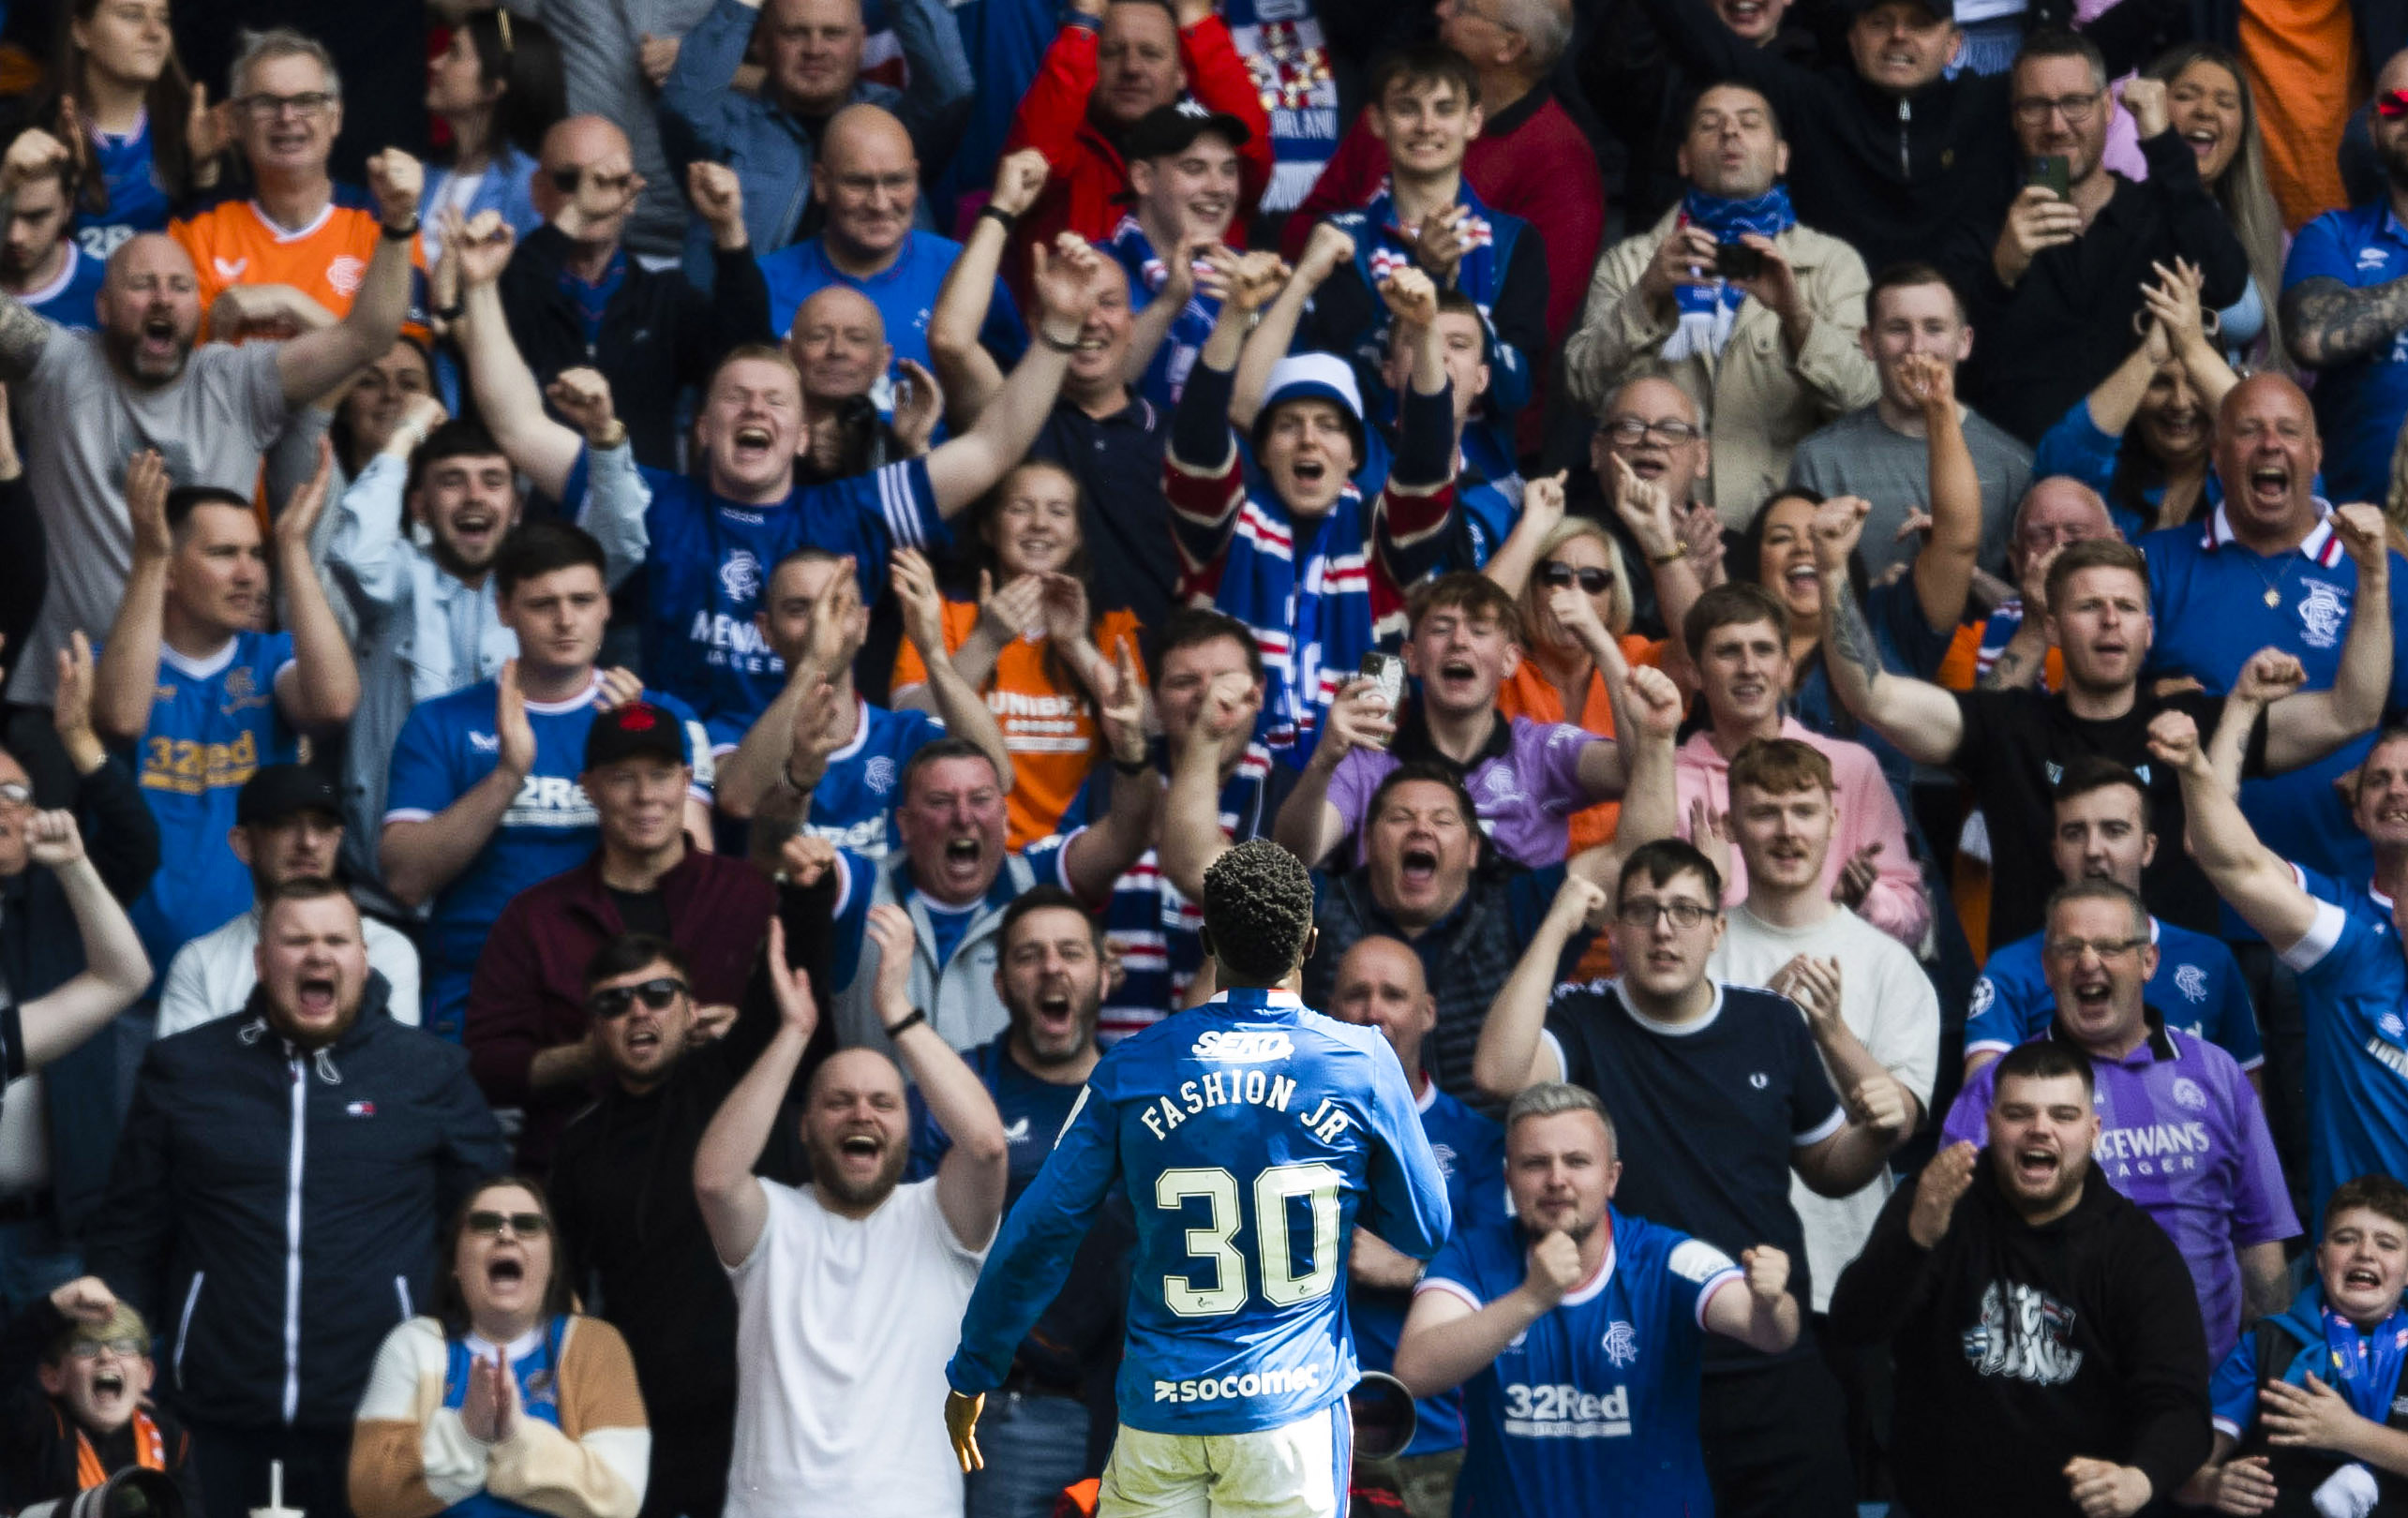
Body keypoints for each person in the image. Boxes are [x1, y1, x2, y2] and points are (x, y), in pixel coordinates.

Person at [457, 209, 1106, 752]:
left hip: (817, 769)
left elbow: (993, 448)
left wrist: (1059, 330)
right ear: (704, 429)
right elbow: (516, 426)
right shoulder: (651, 501)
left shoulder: (854, 510)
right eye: (736, 398)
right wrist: (482, 288)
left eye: (775, 402)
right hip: (683, 775)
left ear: (801, 436)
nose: (755, 411)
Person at [942, 840, 1453, 1518]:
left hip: (1160, 1417)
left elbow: (1041, 1230)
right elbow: (1426, 1226)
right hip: (1289, 1416)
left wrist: (973, 1370)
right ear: (1309, 944)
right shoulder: (1358, 1061)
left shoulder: (1135, 1065)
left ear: (1208, 940)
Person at [1473, 841, 1910, 1518]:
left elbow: (1828, 1169)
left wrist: (1875, 1136)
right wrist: (1559, 922)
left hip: (1767, 1347)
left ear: (1718, 927)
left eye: (1684, 910)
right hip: (1632, 1369)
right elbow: (1498, 1075)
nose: (1663, 929)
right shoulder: (1583, 1019)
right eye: (1641, 910)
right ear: (1613, 931)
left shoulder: (1769, 1023)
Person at [85, 878, 508, 1518]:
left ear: (363, 958)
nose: (318, 955)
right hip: (216, 1417)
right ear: (261, 960)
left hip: (382, 1419)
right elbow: (131, 1233)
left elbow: (491, 1232)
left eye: (336, 940)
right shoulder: (185, 1068)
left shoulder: (429, 1071)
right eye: (296, 940)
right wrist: (117, 1357)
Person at [1820, 518, 2394, 948]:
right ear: (2050, 624)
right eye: (2089, 606)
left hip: (2177, 1003)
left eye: (2126, 606)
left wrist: (2371, 576)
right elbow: (1872, 694)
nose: (2110, 620)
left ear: (2150, 630)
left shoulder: (2203, 723)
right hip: (2039, 1005)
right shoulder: (2008, 725)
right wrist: (1830, 571)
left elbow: (2353, 711)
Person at [0, 147, 425, 712]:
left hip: (211, 710)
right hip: (67, 695)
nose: (162, 298)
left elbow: (367, 337)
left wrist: (398, 226)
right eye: (142, 284)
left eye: (179, 287)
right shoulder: (59, 365)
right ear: (101, 307)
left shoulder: (238, 379)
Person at [697, 903, 1008, 1518]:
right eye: (838, 1102)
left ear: (907, 1126)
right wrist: (795, 1031)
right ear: (806, 1129)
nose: (861, 1114)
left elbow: (985, 1145)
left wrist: (894, 1008)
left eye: (882, 1103)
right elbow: (715, 1180)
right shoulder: (774, 1222)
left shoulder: (939, 1222)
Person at [547, 874, 832, 1518]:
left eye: (656, 994)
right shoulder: (580, 1143)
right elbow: (559, 1280)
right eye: (614, 1004)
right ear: (594, 1027)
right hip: (641, 1415)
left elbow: (789, 988)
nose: (638, 1012)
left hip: (764, 1405)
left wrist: (807, 893)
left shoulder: (736, 1078)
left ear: (689, 1007)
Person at [1827, 1043, 2213, 1518]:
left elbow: (2180, 1404)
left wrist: (2140, 1478)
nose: (2040, 1129)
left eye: (2063, 1115)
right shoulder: (1936, 1200)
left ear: (2093, 1133)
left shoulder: (2136, 1250)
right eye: (2019, 1113)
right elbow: (1853, 1324)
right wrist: (1916, 1239)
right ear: (1990, 1125)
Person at [1393, 1082, 1802, 1516]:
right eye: (1535, 1164)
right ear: (1508, 1177)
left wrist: (1770, 1302)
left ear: (1611, 1177)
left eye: (1577, 1162)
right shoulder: (1471, 1256)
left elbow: (1771, 1334)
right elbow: (1414, 1370)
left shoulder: (1666, 1258)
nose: (1556, 1180)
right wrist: (1531, 1298)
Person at [381, 521, 714, 1041]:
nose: (565, 621)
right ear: (504, 608)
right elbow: (405, 880)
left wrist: (634, 755)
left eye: (582, 600)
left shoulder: (665, 720)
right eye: (543, 604)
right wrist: (508, 776)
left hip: (627, 998)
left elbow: (695, 879)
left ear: (606, 605)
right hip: (482, 995)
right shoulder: (441, 722)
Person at [1942, 878, 2295, 1364]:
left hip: (2204, 1388)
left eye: (2110, 946)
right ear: (2047, 968)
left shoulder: (2217, 1073)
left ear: (2149, 961)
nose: (2089, 962)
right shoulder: (2001, 1088)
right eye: (2070, 949)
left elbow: (2260, 1240)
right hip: (2053, 1389)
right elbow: (1951, 1238)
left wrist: (2263, 1382)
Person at [324, 382, 647, 911]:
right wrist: (406, 436)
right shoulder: (398, 582)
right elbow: (355, 553)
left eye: (492, 482)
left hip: (509, 892)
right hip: (392, 897)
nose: (475, 497)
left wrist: (605, 440)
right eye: (453, 482)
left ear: (516, 506)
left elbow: (619, 543)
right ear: (421, 507)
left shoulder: (540, 595)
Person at [1626, 0, 2183, 282]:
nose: (1898, 36)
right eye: (1880, 20)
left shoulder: (1991, 103)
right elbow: (1696, 36)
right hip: (1832, 333)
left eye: (1918, 22)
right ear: (1852, 36)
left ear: (1952, 43)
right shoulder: (1812, 101)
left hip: (1969, 335)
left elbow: (2106, 44)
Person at [2137, 376, 2408, 934]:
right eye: (2248, 430)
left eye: (2288, 431)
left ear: (2315, 455)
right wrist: (2149, 698)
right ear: (2216, 455)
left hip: (2343, 905)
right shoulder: (2156, 564)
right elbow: (2103, 705)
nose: (2269, 444)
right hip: (2194, 908)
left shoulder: (2381, 573)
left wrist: (2382, 765)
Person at [1167, 251, 1456, 761]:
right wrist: (1235, 314)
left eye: (1328, 425)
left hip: (1358, 788)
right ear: (1261, 452)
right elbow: (1195, 438)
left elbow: (1428, 464)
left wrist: (1426, 332)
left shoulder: (1379, 535)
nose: (1308, 441)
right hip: (1227, 778)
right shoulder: (1226, 525)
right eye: (1287, 425)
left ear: (1353, 456)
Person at [467, 700, 777, 1172]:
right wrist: (588, 1056)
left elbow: (805, 1033)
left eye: (660, 774)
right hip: (580, 1168)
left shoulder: (748, 895)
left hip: (724, 1165)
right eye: (621, 777)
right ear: (588, 788)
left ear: (687, 780)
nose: (645, 796)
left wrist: (740, 1033)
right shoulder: (536, 917)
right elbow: (488, 1066)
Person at [90, 445, 357, 988]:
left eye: (255, 554)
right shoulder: (112, 660)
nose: (248, 574)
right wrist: (148, 560)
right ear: (167, 566)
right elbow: (122, 718)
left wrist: (294, 550)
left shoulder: (271, 658)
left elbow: (333, 706)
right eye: (223, 553)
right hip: (130, 984)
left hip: (259, 976)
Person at [1563, 82, 1877, 524]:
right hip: (1651, 520)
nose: (1730, 133)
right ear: (1684, 159)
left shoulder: (1831, 265)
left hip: (1775, 531)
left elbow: (1865, 403)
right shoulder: (1633, 262)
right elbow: (1582, 391)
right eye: (1710, 125)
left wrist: (1796, 317)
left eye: (1749, 123)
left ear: (1782, 156)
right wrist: (1646, 297)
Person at [1703, 739, 1938, 1316]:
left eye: (1804, 811)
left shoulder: (1889, 964)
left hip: (1848, 1268)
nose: (1788, 831)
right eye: (1764, 813)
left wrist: (1832, 1033)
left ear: (1834, 821)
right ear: (1731, 826)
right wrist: (1763, 1024)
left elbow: (1900, 1121)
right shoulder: (1695, 951)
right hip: (1717, 1268)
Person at [2154, 707, 2408, 1228]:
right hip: (2364, 1257)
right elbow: (2223, 852)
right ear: (2357, 812)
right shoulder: (2344, 931)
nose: (2396, 791)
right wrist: (2199, 762)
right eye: (2379, 780)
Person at [930, 153, 1178, 641]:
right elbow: (950, 341)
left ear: (1133, 324)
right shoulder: (1016, 421)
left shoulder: (1174, 439)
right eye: (1070, 303)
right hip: (1025, 691)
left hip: (1145, 696)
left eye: (1107, 303)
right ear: (1035, 324)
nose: (1089, 318)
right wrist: (1001, 209)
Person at [1953, 45, 2251, 445]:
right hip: (2022, 474)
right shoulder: (1986, 228)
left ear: (2109, 107)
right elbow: (1954, 372)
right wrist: (2000, 274)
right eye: (2035, 106)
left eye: (2076, 103)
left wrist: (2163, 143)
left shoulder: (2159, 214)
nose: (2056, 125)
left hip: (2138, 475)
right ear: (2014, 118)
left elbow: (2227, 281)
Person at [946, 887, 1133, 1518]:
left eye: (1071, 952)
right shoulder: (966, 1092)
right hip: (1011, 1415)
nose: (1052, 968)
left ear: (1106, 975)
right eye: (1030, 955)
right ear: (1000, 984)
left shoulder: (1143, 1098)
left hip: (1131, 1421)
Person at [824, 704, 1156, 1054]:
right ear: (904, 824)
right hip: (879, 1109)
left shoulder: (1041, 884)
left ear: (1004, 817)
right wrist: (797, 781)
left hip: (1011, 1110)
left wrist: (1132, 750)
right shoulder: (860, 887)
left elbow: (1128, 835)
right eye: (940, 802)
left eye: (980, 800)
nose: (963, 817)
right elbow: (774, 856)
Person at [1286, 0, 1602, 351]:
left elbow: (1531, 333)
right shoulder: (1397, 116)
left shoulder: (1562, 166)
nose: (1440, 9)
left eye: (1464, 8)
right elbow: (1303, 232)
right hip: (1337, 363)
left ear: (1509, 47)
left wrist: (1435, 271)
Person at [1275, 572, 1631, 871]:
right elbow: (1295, 856)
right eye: (1441, 629)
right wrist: (1324, 759)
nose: (1459, 642)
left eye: (1478, 631)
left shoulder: (1543, 752)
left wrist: (1601, 645)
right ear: (1412, 660)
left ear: (1510, 660)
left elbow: (1635, 772)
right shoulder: (1368, 763)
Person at [1330, 936, 1507, 1518]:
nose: (1373, 1011)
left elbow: (1508, 1286)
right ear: (1330, 1009)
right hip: (1308, 1433)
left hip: (1429, 1441)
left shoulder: (1478, 1142)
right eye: (1356, 994)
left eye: (1393, 995)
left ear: (1427, 1012)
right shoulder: (1286, 1128)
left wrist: (1411, 1270)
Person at [1294, 46, 1547, 454]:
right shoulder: (1341, 239)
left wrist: (1442, 283)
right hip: (1367, 466)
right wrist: (1426, 273)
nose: (1427, 126)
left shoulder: (1514, 239)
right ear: (1377, 121)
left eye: (1445, 109)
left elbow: (1512, 391)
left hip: (1480, 477)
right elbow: (1354, 383)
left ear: (1474, 121)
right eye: (1408, 109)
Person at [351, 1176, 647, 1518]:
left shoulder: (596, 1347)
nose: (506, 1235)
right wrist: (466, 1432)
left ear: (551, 1263)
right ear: (455, 1265)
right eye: (485, 1223)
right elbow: (369, 1496)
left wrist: (515, 1436)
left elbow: (620, 1499)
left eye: (528, 1225)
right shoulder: (411, 1345)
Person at [489, 117, 771, 475]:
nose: (594, 195)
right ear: (537, 191)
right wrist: (577, 214)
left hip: (642, 513)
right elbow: (512, 301)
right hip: (538, 518)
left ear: (632, 197)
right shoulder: (507, 282)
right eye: (571, 181)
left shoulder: (665, 299)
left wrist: (729, 228)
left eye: (611, 182)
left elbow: (747, 360)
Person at [0, 644, 160, 1264]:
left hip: (57, 1226)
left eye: (17, 795)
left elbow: (138, 844)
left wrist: (78, 738)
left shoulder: (63, 900)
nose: (5, 814)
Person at [890, 462, 1146, 849]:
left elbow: (1149, 727)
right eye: (1020, 508)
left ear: (1077, 535)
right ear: (988, 528)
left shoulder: (1111, 627)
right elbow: (905, 725)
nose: (1040, 524)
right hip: (963, 847)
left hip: (1072, 855)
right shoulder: (944, 615)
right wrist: (986, 641)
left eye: (1058, 511)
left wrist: (1076, 645)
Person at [1963, 757, 2262, 1079]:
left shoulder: (2211, 960)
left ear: (2148, 849)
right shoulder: (2011, 970)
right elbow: (1982, 1107)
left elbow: (2247, 1105)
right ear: (2057, 852)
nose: (2093, 849)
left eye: (2114, 831)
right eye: (2075, 833)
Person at [1672, 582, 1930, 946]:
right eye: (1729, 652)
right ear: (1695, 674)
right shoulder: (1667, 781)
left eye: (1763, 650)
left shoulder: (1851, 767)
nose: (1749, 667)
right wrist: (1708, 885)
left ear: (1786, 670)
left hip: (1836, 982)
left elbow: (1914, 920)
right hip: (1723, 989)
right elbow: (1639, 938)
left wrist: (1863, 903)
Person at [1084, 608, 1295, 1043]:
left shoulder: (1288, 793)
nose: (1207, 697)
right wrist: (1085, 942)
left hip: (1236, 1070)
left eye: (1224, 681)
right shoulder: (1110, 785)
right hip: (1110, 1057)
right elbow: (1068, 888)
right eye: (1184, 683)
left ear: (1258, 693)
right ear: (1155, 703)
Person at [716, 547, 1007, 862]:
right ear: (766, 630)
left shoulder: (906, 734)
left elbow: (999, 778)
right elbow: (737, 801)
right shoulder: (732, 729)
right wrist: (814, 664)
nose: (820, 623)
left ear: (864, 624)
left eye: (838, 607)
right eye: (799, 609)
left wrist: (934, 654)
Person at [656, 0, 972, 280]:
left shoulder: (893, 125)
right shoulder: (729, 126)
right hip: (752, 336)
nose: (815, 49)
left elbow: (951, 89)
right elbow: (684, 108)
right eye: (795, 33)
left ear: (862, 42)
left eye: (833, 33)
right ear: (762, 43)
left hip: (881, 335)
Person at [997, 0, 1271, 292]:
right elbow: (1031, 160)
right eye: (1111, 52)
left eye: (1151, 54)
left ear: (1183, 72)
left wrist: (1194, 16)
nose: (1131, 68)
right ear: (1089, 58)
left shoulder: (1215, 160)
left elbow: (1248, 143)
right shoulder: (1061, 156)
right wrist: (1083, 19)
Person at [1787, 262, 2034, 578]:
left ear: (1964, 342)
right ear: (1868, 342)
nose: (1916, 348)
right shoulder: (1819, 460)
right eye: (1898, 328)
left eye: (1934, 328)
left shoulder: (2013, 464)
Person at [2180, 1174, 2408, 1515]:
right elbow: (2181, 1474)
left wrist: (2350, 1433)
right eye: (2346, 1239)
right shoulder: (2265, 1345)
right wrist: (2210, 1485)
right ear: (2319, 1258)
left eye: (2387, 1244)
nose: (2365, 1253)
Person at [170, 31, 427, 331]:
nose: (287, 116)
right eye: (266, 102)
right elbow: (188, 365)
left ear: (335, 117)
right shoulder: (196, 229)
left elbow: (406, 361)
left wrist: (289, 304)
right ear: (237, 122)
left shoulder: (385, 224)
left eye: (307, 100)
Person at [156, 765, 421, 1036]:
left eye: (322, 826)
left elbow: (395, 1073)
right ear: (243, 843)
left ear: (337, 839)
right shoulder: (200, 962)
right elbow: (184, 1075)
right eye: (284, 824)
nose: (308, 842)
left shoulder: (387, 951)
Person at [754, 104, 1023, 371]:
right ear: (821, 184)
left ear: (916, 178)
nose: (880, 204)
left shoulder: (966, 273)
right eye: (858, 183)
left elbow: (1015, 398)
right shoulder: (764, 284)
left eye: (896, 181)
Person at [491, 0, 715, 266]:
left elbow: (764, 71)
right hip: (565, 209)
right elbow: (504, 23)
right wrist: (510, 72)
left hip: (675, 224)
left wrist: (701, 63)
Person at [2279, 47, 2408, 507]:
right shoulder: (2332, 235)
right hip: (2360, 535)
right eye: (2396, 107)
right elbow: (2311, 336)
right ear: (2372, 128)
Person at [1486, 511, 1658, 855]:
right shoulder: (1502, 664)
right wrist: (1532, 527)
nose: (1574, 592)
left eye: (1593, 581)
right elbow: (1473, 619)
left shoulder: (1634, 655)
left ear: (1613, 599)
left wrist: (1670, 546)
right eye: (1556, 575)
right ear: (1530, 590)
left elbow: (1702, 649)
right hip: (1522, 868)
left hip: (1622, 869)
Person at [2030, 258, 2237, 537]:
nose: (2179, 401)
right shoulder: (2107, 477)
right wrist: (2149, 356)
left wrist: (2193, 347)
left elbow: (2271, 443)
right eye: (2159, 383)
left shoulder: (2242, 479)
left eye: (2195, 382)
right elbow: (2059, 465)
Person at [2141, 43, 2291, 373]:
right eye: (2185, 96)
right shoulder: (2129, 213)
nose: (2206, 110)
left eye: (2225, 103)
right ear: (2150, 112)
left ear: (2241, 132)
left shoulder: (2264, 224)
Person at [42, 0, 224, 264]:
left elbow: (217, 257)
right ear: (81, 31)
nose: (154, 32)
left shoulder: (194, 130)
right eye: (131, 15)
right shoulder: (31, 130)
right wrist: (58, 183)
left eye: (163, 18)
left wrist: (204, 173)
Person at [0, 1275, 202, 1513]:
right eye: (86, 1348)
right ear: (52, 1378)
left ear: (146, 1374)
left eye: (123, 1347)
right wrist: (54, 1308)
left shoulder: (171, 1436)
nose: (106, 1356)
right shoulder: (39, 1428)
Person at [1105, 102, 1244, 413]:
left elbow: (1254, 412)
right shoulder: (1093, 271)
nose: (1218, 188)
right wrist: (1170, 303)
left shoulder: (1253, 278)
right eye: (1194, 168)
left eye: (1229, 170)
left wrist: (1251, 312)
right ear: (1142, 178)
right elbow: (1093, 394)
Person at [417, 9, 561, 264]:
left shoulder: (528, 188)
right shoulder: (428, 172)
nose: (435, 63)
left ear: (492, 88)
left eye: (454, 53)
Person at [0, 130, 106, 333]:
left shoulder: (104, 287)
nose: (15, 236)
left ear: (68, 206)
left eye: (36, 217)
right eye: (3, 213)